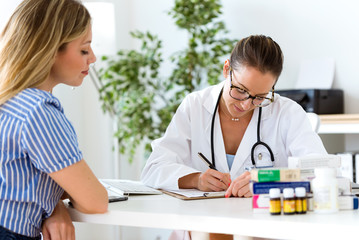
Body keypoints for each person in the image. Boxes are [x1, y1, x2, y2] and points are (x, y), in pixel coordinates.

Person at [141, 35, 327, 240]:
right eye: (240, 90)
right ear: (226, 69)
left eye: (260, 96)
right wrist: (197, 179)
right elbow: (153, 168)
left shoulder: (287, 112)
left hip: (265, 225)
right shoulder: (195, 106)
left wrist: (269, 180)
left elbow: (323, 170)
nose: (246, 105)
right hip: (205, 223)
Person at [0, 0, 108, 239]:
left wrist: (54, 207)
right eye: (84, 49)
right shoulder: (37, 111)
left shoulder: (10, 101)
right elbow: (95, 201)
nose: (93, 58)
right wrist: (58, 206)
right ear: (50, 50)